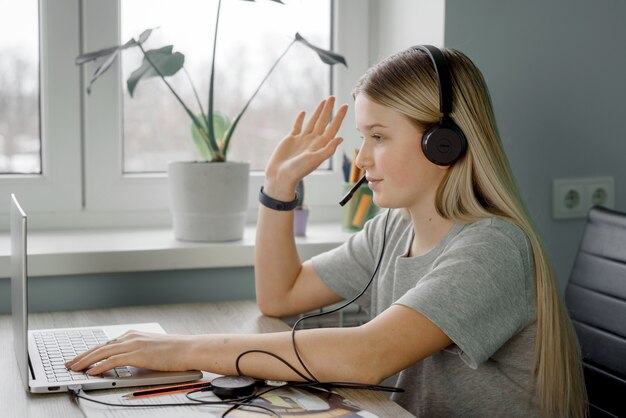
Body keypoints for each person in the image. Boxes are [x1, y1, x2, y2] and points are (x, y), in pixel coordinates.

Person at [67, 46, 586, 417]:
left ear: (443, 144)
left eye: (379, 136)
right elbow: (279, 294)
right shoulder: (393, 228)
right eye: (363, 136)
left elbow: (366, 356)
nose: (360, 159)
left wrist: (180, 352)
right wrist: (277, 187)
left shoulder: (492, 247)